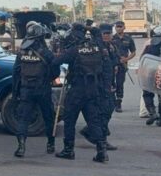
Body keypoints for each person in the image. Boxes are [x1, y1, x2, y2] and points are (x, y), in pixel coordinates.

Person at [53, 23, 112, 162]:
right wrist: (88, 28)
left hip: (77, 91)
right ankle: (102, 152)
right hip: (93, 90)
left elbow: (56, 62)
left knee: (69, 120)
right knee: (94, 121)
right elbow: (97, 34)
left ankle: (68, 150)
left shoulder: (74, 50)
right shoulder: (97, 47)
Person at [12, 23, 58, 157]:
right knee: (48, 117)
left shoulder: (21, 53)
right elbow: (55, 71)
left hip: (26, 90)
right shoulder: (46, 53)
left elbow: (16, 73)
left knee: (23, 119)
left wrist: (16, 93)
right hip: (43, 89)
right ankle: (50, 144)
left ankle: (21, 146)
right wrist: (47, 79)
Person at [81, 23, 119, 151]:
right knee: (103, 113)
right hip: (99, 86)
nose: (107, 36)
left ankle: (92, 131)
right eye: (104, 34)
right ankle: (101, 139)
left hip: (108, 84)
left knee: (108, 110)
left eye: (109, 33)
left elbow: (115, 62)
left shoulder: (111, 47)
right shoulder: (95, 47)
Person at [141, 24, 161, 127]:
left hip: (150, 73)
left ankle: (153, 113)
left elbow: (143, 60)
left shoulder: (149, 46)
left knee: (147, 93)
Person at [112, 21, 135, 112]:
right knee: (111, 83)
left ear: (124, 27)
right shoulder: (112, 38)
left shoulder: (128, 39)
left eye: (120, 26)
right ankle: (112, 101)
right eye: (117, 26)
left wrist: (126, 59)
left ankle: (118, 103)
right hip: (112, 65)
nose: (118, 28)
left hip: (122, 65)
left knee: (120, 84)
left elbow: (133, 52)